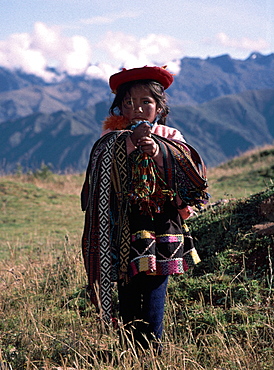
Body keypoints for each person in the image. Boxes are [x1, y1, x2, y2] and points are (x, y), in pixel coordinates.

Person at [81, 65, 209, 352]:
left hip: (162, 223)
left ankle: (151, 347)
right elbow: (103, 170)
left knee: (154, 286)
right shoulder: (113, 138)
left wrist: (158, 151)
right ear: (120, 107)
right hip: (125, 224)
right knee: (127, 284)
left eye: (145, 102)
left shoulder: (171, 135)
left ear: (160, 106)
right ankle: (129, 345)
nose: (136, 108)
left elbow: (187, 169)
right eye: (129, 102)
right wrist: (130, 143)